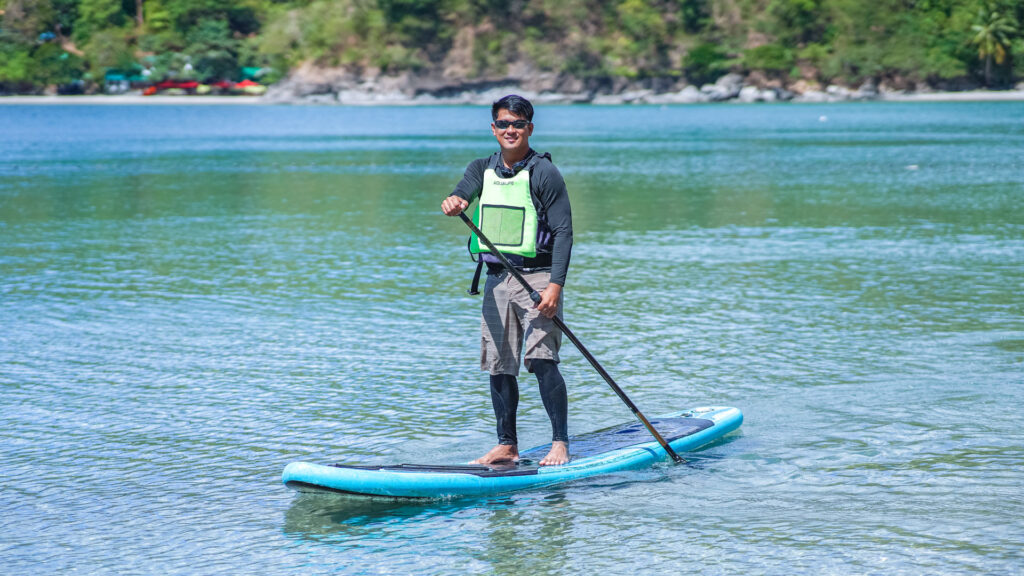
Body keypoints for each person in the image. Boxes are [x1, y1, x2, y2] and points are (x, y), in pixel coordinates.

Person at [441, 94, 574, 466]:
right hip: (498, 279)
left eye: (517, 124)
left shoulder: (544, 173)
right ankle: (507, 445)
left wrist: (555, 286)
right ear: (493, 128)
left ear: (529, 128)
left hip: (539, 278)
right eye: (503, 123)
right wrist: (455, 201)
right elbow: (462, 193)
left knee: (542, 359)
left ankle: (560, 443)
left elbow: (564, 232)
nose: (510, 130)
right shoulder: (481, 168)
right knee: (498, 364)